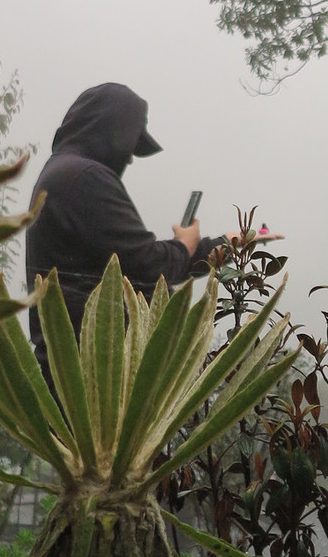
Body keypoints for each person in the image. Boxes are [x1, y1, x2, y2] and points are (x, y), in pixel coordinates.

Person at [25, 83, 225, 384]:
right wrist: (184, 245)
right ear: (110, 130)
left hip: (72, 372)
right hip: (95, 379)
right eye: (131, 144)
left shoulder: (62, 173)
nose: (131, 158)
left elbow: (126, 262)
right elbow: (151, 268)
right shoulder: (85, 178)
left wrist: (224, 247)